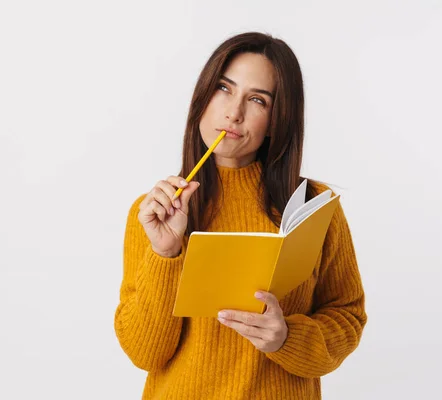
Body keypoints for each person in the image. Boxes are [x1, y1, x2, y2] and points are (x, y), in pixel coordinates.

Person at [114, 31, 367, 399]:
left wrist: (286, 338)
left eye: (258, 100)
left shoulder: (315, 205)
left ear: (276, 119)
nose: (234, 112)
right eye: (224, 88)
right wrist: (165, 254)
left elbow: (348, 316)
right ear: (202, 96)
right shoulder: (153, 213)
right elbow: (143, 352)